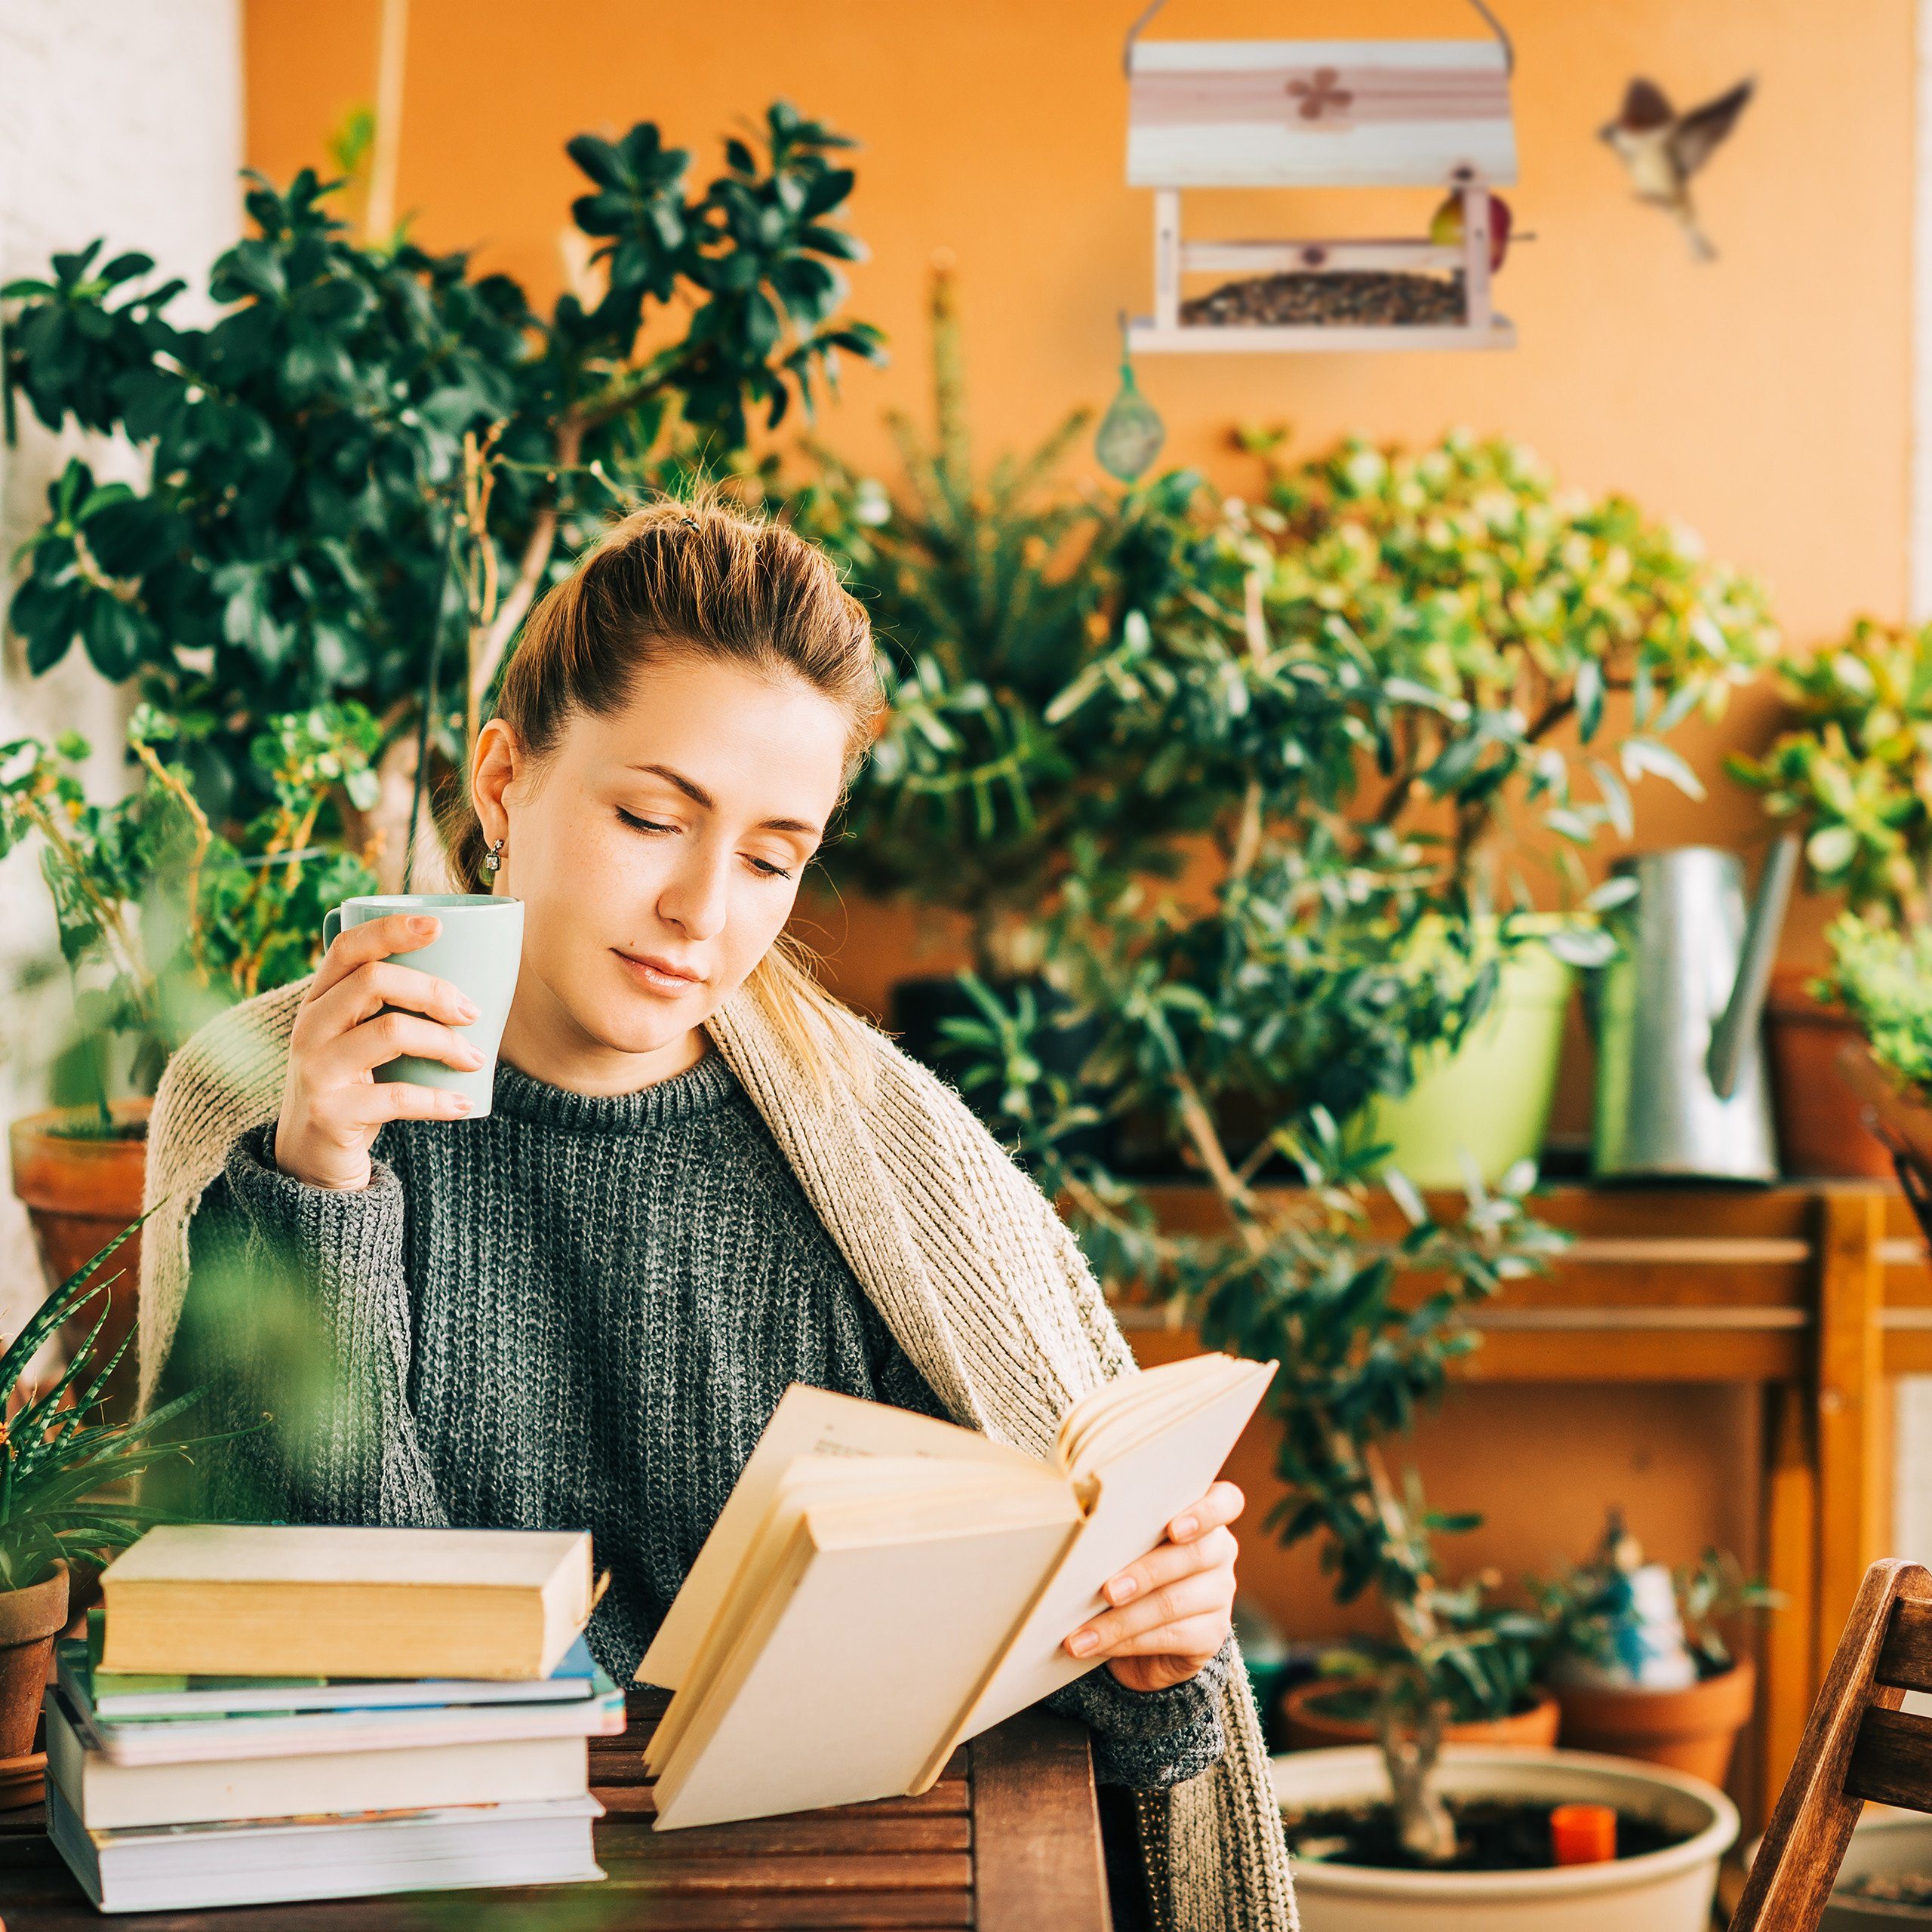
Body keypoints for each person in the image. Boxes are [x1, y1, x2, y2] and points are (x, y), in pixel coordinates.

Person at [134, 491, 1298, 1932]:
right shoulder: (259, 1095)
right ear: (503, 783)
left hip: (835, 1882)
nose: (702, 907)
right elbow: (239, 1639)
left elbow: (1107, 1738)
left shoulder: (885, 1159)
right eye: (649, 817)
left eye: (770, 857)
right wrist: (323, 1188)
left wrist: (1156, 1657)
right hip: (412, 1880)